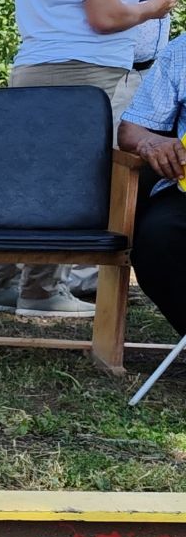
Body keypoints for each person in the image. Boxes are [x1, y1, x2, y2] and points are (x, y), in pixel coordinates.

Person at [0, 0, 183, 318]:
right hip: (82, 68)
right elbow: (105, 16)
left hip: (45, 61)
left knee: (28, 180)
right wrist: (153, 8)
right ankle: (40, 291)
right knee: (68, 183)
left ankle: (2, 285)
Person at [121, 34, 186, 334]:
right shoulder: (181, 50)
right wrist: (152, 143)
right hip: (183, 189)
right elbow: (133, 128)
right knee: (156, 240)